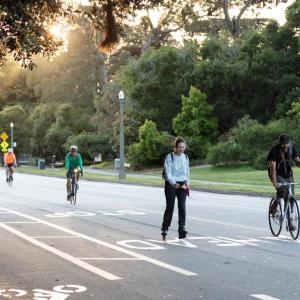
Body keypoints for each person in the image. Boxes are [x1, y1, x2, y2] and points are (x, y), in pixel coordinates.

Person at [161, 137, 190, 240]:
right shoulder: (170, 157)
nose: (181, 149)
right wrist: (173, 183)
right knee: (170, 206)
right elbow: (168, 172)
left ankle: (182, 228)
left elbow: (187, 172)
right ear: (175, 147)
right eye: (179, 147)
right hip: (171, 183)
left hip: (182, 183)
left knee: (182, 206)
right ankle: (165, 228)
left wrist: (187, 184)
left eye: (183, 147)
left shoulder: (186, 157)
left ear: (185, 147)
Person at [267, 133, 300, 218]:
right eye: (283, 144)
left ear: (289, 142)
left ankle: (290, 218)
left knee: (291, 195)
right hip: (276, 173)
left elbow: (297, 161)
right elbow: (272, 168)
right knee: (283, 191)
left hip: (288, 174)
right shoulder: (274, 150)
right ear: (280, 143)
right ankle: (275, 204)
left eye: (286, 143)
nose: (285, 146)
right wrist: (275, 182)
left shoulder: (291, 148)